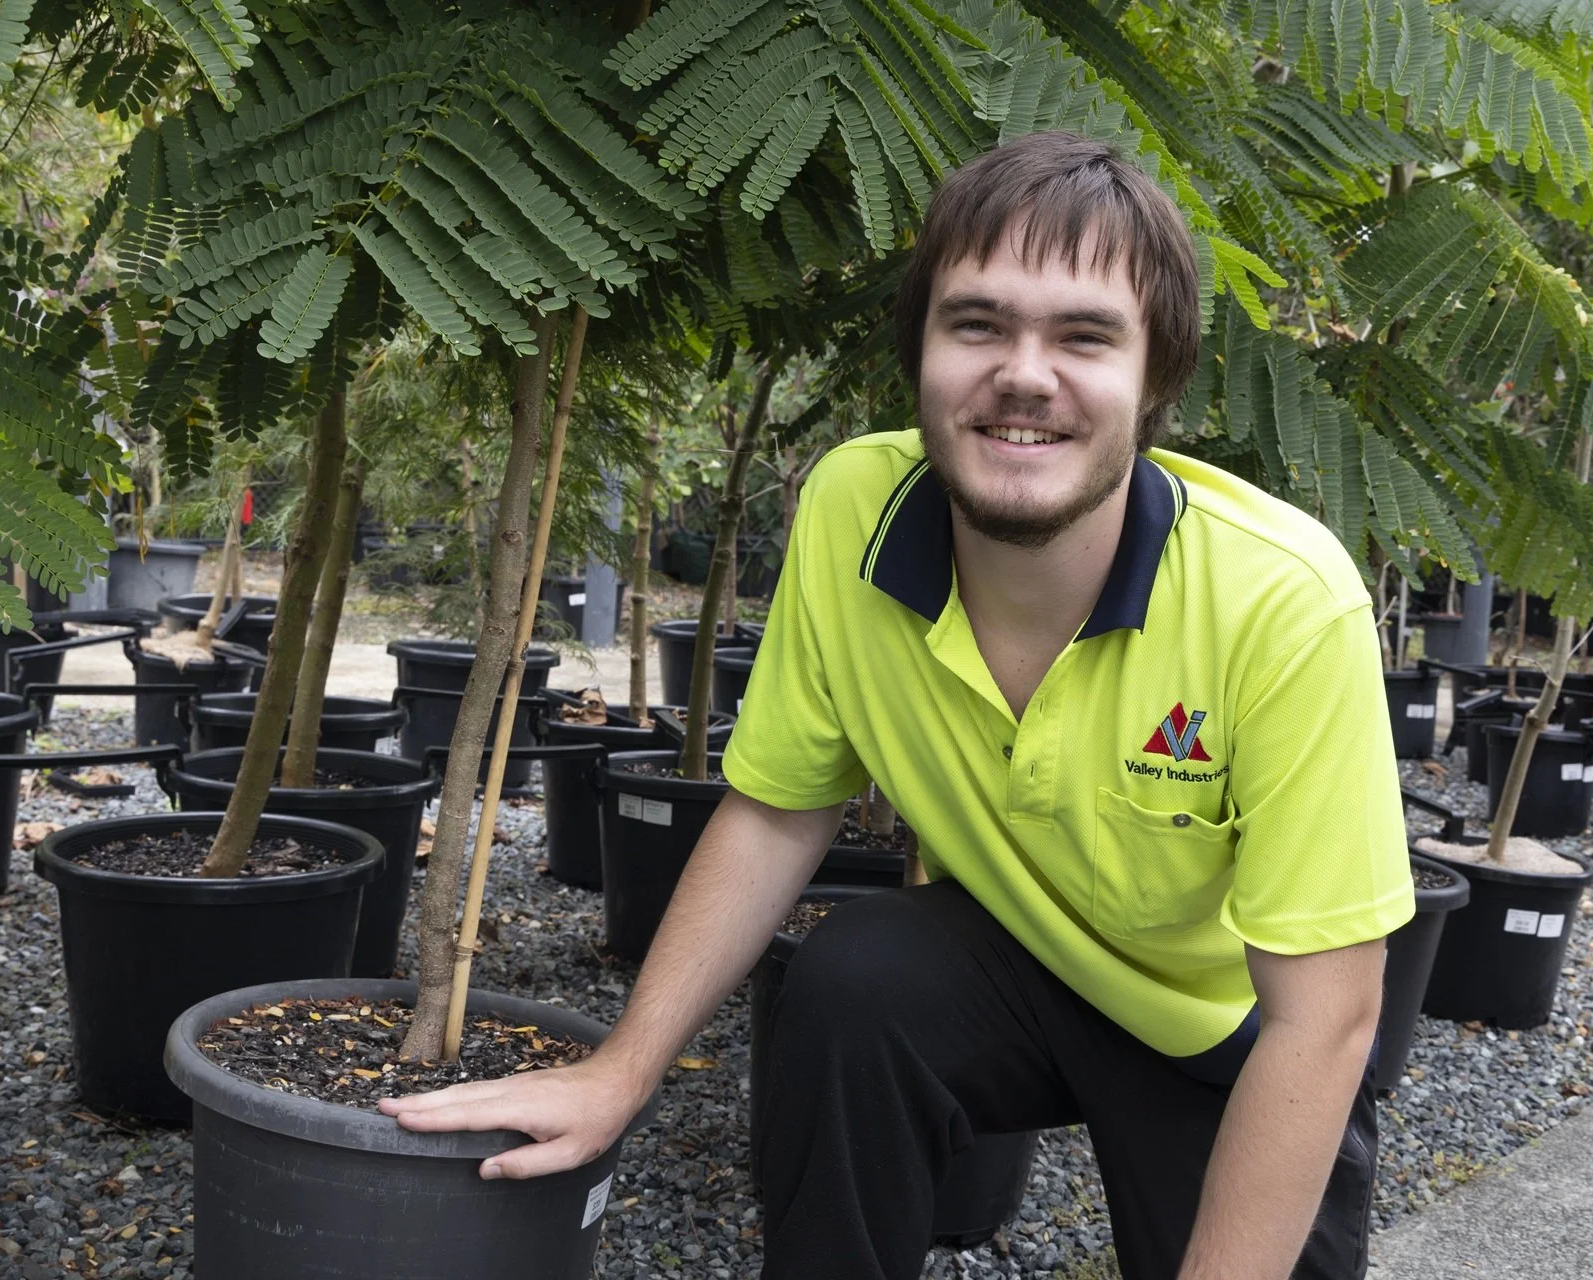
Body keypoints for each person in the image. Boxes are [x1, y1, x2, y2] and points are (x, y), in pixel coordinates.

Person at [381, 130, 1413, 1280]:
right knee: (852, 980)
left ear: (1158, 376)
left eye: (1085, 335)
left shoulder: (1283, 596)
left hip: (1232, 1035)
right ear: (919, 349)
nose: (1026, 373)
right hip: (1019, 967)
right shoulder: (850, 510)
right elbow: (777, 810)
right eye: (978, 323)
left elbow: (1327, 1017)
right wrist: (620, 1070)